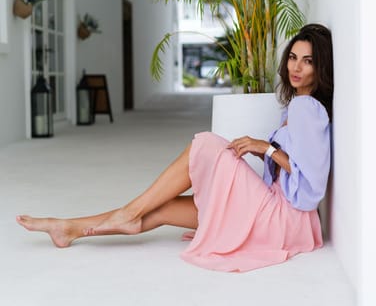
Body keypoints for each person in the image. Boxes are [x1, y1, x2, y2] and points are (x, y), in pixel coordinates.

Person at [16, 23, 334, 272]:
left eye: (307, 61)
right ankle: (70, 228)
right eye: (293, 57)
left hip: (280, 218)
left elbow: (311, 187)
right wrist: (267, 151)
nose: (297, 67)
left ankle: (128, 212)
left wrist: (266, 148)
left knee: (208, 145)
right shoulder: (300, 107)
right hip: (281, 222)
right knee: (164, 208)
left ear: (320, 68)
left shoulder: (306, 108)